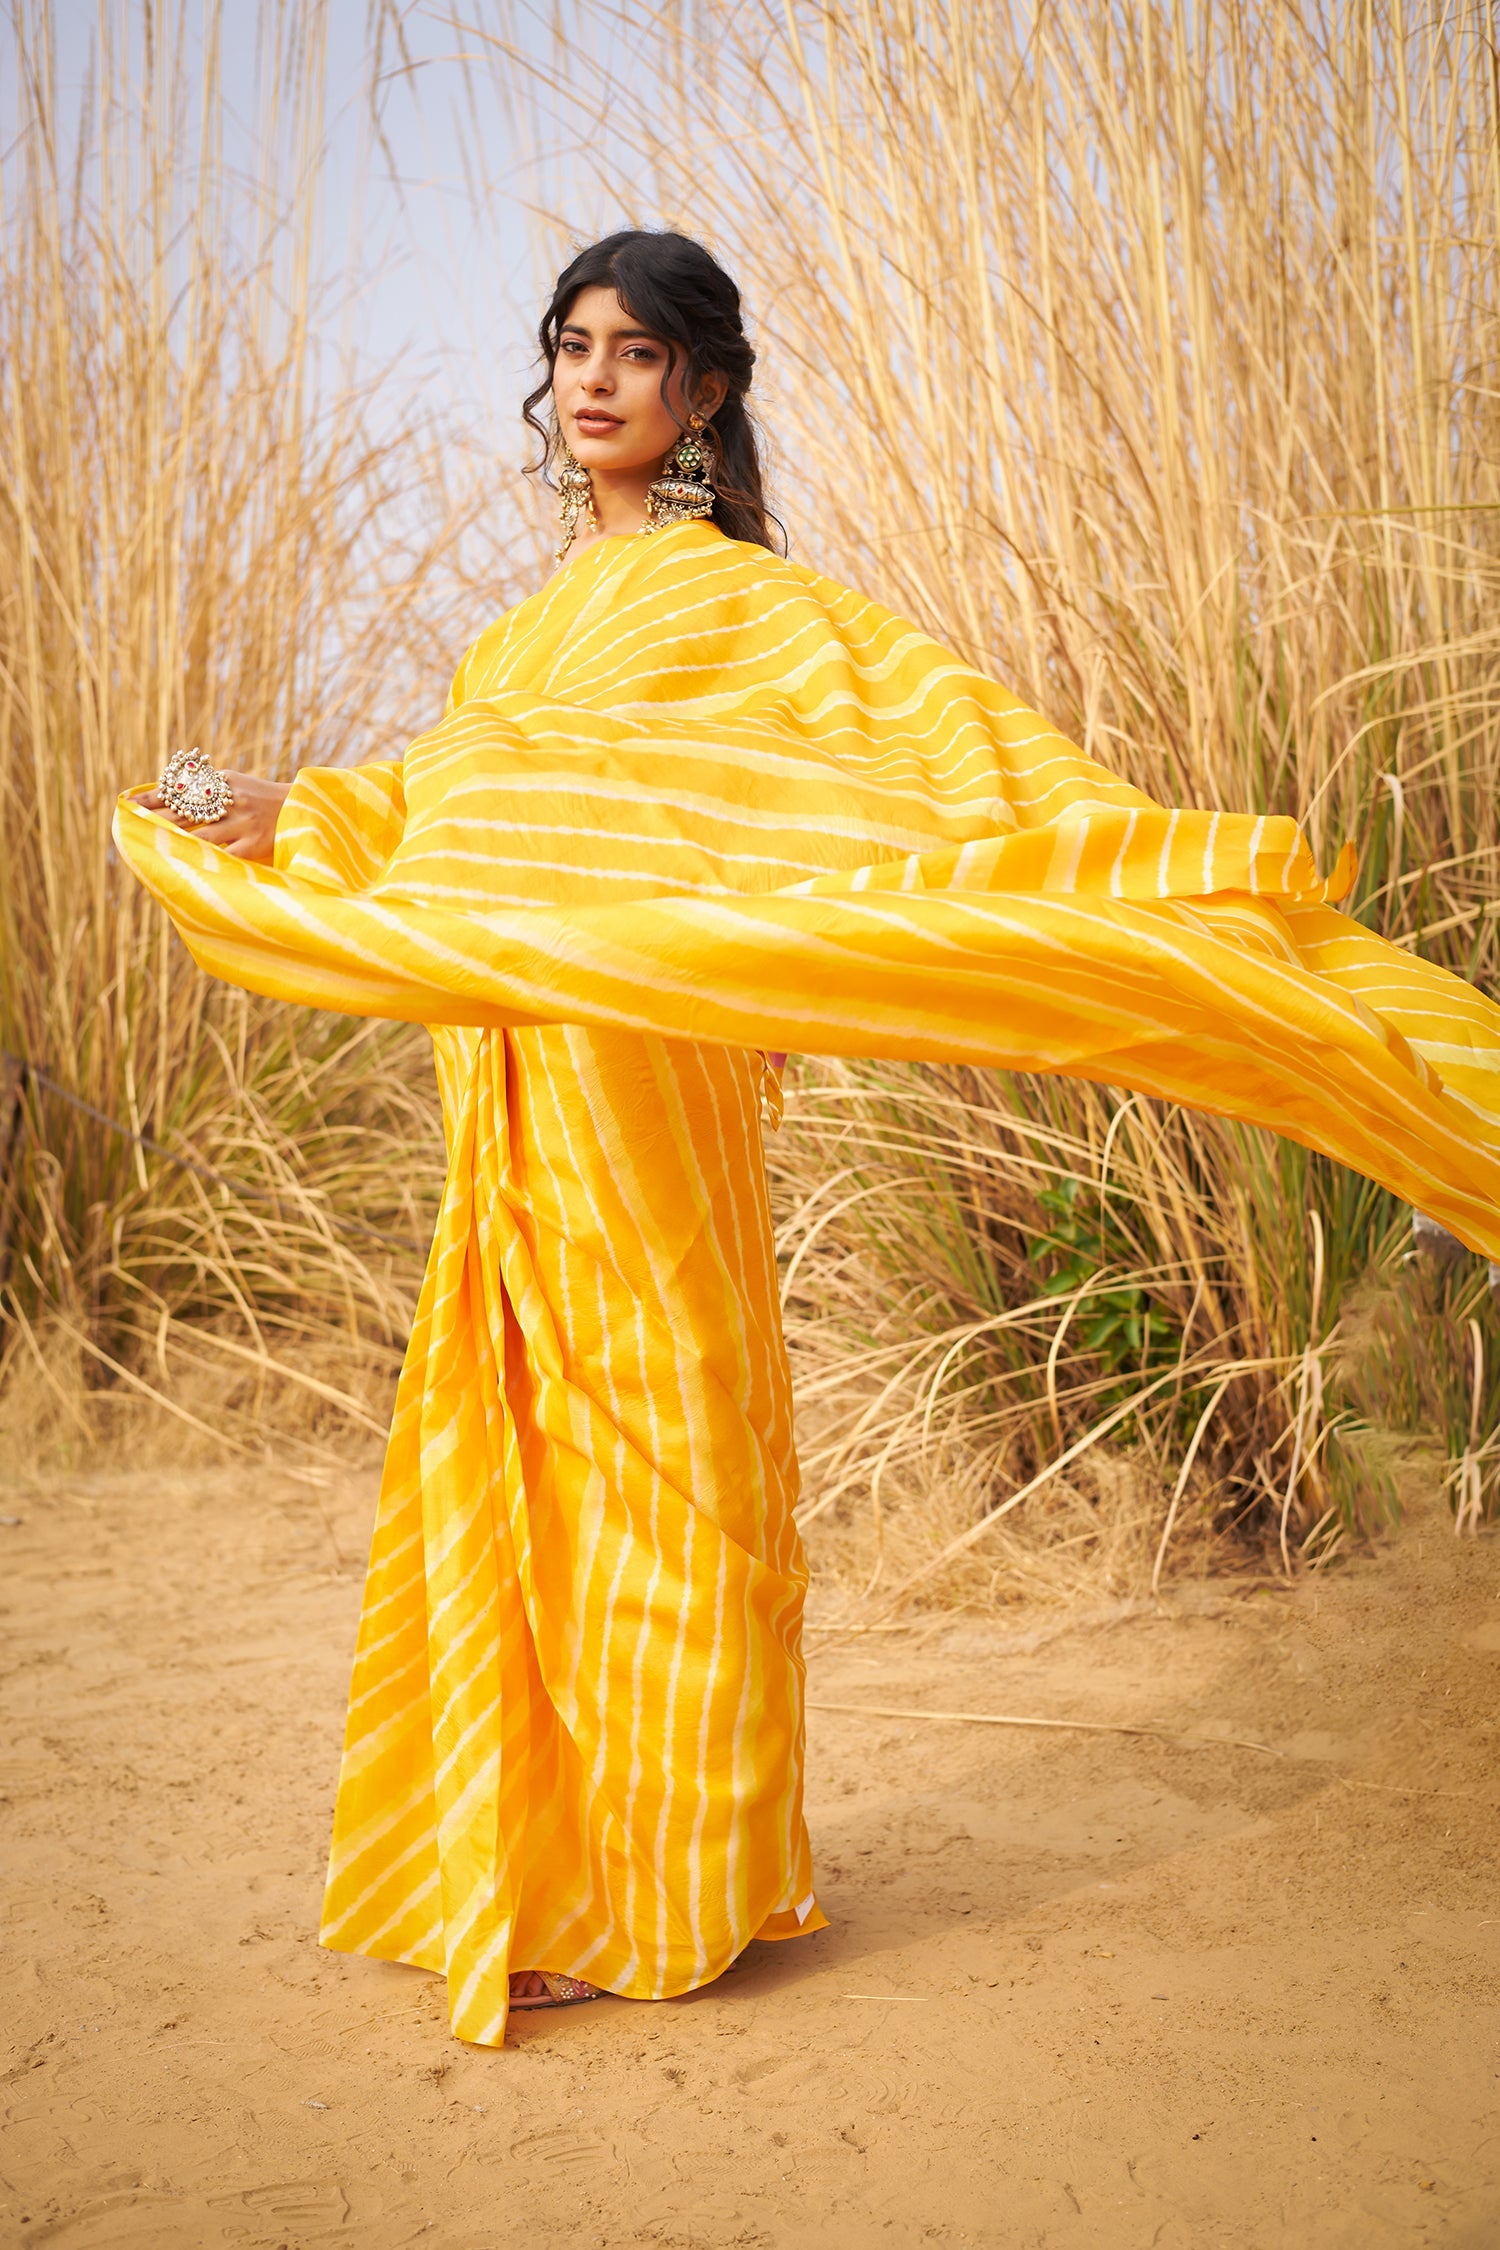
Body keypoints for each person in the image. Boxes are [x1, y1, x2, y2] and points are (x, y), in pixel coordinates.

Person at [124, 229, 1500, 2046]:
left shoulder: (745, 604)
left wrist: (1131, 860)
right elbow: (473, 808)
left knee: (673, 1447)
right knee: (529, 1448)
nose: (594, 376)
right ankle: (542, 1874)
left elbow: (919, 771)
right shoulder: (527, 626)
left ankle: (681, 1881)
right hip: (527, 1082)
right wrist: (276, 811)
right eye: (569, 345)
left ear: (703, 392)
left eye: (635, 350)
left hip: (654, 1091)